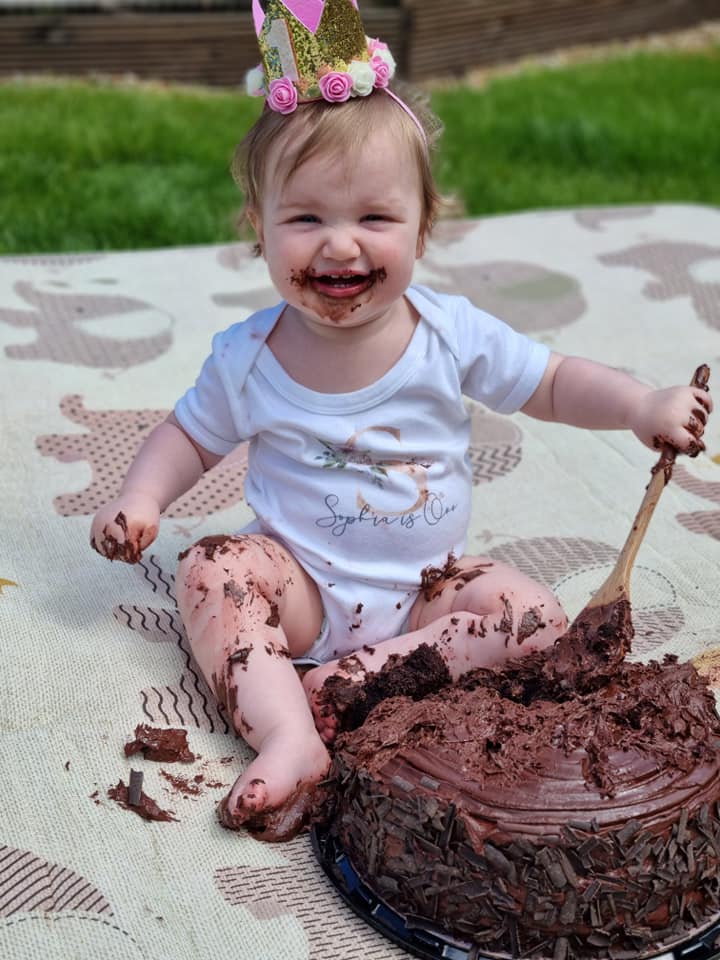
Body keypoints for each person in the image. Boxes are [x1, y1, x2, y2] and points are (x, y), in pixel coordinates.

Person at [90, 2, 712, 840]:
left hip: (429, 591)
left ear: (424, 227)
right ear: (258, 229)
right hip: (302, 586)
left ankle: (349, 687)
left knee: (536, 619)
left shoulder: (449, 334)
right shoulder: (248, 357)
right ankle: (289, 735)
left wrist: (638, 405)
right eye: (306, 218)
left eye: (374, 218)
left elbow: (553, 382)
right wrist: (142, 498)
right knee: (209, 569)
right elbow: (188, 437)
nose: (340, 246)